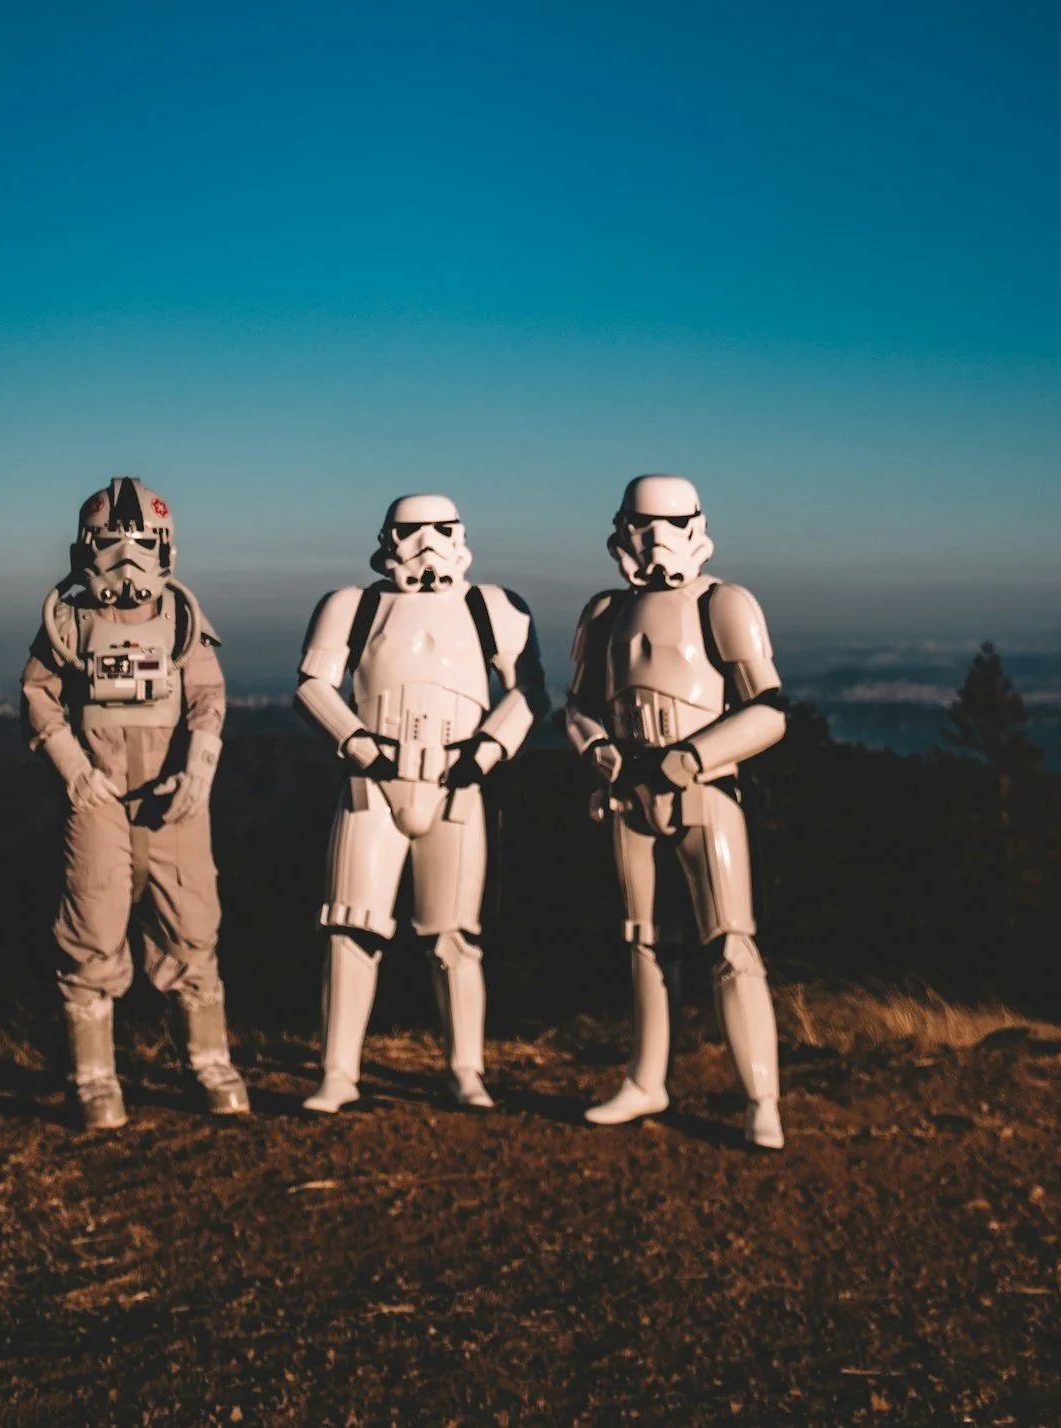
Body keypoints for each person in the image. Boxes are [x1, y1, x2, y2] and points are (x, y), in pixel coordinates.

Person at [295, 492, 547, 1113]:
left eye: (440, 531)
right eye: (412, 532)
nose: (426, 544)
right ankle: (338, 1073)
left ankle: (465, 1069)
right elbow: (313, 687)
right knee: (352, 926)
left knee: (454, 935)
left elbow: (529, 691)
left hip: (456, 779)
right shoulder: (353, 606)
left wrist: (486, 753)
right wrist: (358, 746)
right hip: (373, 782)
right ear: (388, 538)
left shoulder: (491, 606)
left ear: (459, 534)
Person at [565, 473, 788, 1150]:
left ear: (696, 526)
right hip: (629, 792)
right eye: (640, 523)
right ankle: (646, 1079)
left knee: (729, 943)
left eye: (668, 522)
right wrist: (599, 752)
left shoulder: (724, 602)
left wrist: (689, 758)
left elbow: (769, 709)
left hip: (703, 791)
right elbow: (578, 705)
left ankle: (760, 1099)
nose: (653, 537)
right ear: (620, 527)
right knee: (644, 940)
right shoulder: (602, 612)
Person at [21, 476, 250, 1128]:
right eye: (111, 543)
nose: (127, 558)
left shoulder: (180, 618)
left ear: (164, 548)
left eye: (141, 544)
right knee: (91, 924)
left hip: (173, 793)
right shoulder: (67, 623)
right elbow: (37, 696)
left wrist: (200, 768)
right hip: (96, 794)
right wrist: (70, 767)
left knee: (192, 919)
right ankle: (93, 1073)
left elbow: (207, 697)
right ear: (84, 549)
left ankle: (208, 1059)